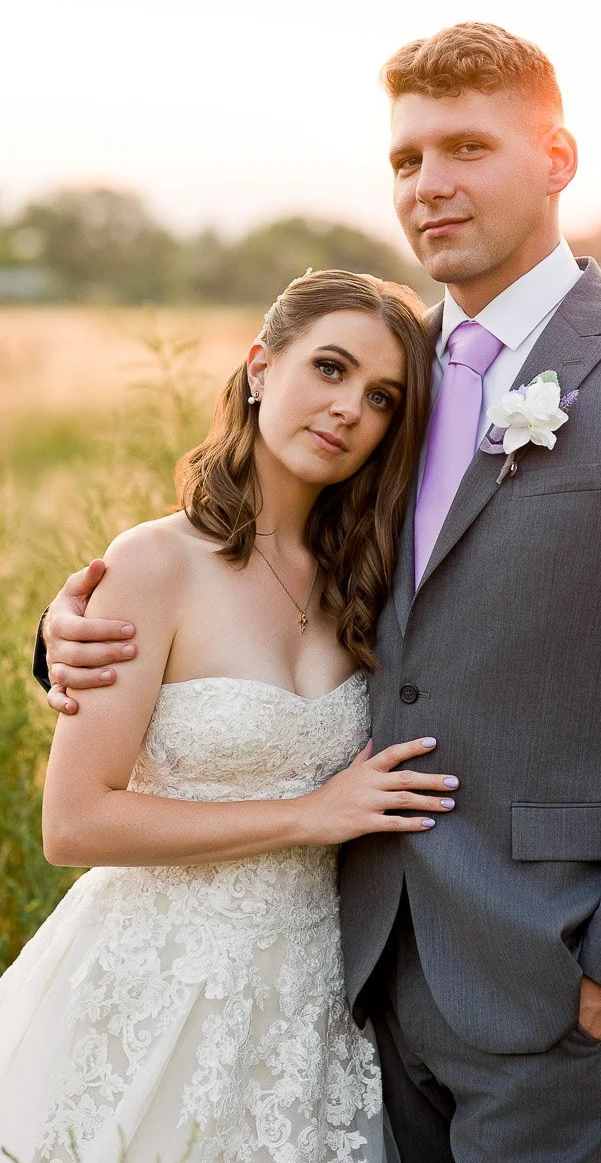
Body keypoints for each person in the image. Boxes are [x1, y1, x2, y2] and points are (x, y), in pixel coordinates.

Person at [34, 24, 601, 1163]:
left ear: (557, 158)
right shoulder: (388, 379)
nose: (428, 185)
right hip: (349, 980)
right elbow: (250, 566)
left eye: (467, 148)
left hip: (544, 982)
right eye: (404, 159)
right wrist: (73, 636)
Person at [0, 269, 462, 1162]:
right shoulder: (152, 562)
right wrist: (308, 816)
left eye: (380, 397)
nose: (347, 411)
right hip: (151, 984)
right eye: (327, 369)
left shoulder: (367, 579)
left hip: (309, 1002)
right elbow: (74, 820)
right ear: (259, 367)